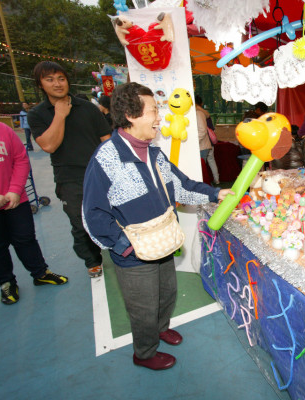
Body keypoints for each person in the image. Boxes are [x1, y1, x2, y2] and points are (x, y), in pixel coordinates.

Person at [82, 82, 233, 370]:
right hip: (133, 252)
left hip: (162, 241)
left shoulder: (154, 153)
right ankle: (145, 352)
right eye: (153, 110)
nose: (159, 117)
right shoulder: (107, 158)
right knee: (142, 307)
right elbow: (93, 214)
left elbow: (181, 185)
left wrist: (215, 193)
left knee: (166, 294)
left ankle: (161, 328)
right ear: (130, 114)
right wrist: (124, 246)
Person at [0, 86, 68, 305]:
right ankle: (6, 283)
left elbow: (20, 159)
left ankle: (40, 273)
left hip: (15, 200)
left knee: (26, 239)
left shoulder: (0, 130)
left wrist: (15, 190)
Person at [27, 61, 111, 278]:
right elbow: (48, 145)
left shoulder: (88, 108)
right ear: (40, 84)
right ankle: (92, 260)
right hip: (69, 179)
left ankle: (117, 249)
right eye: (50, 79)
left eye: (61, 78)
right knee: (79, 221)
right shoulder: (37, 114)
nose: (57, 84)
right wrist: (60, 115)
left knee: (111, 214)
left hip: (99, 174)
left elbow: (106, 139)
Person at [195, 95, 219, 184]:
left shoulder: (198, 113)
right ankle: (216, 180)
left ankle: (207, 184)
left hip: (202, 144)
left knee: (202, 168)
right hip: (206, 142)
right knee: (210, 161)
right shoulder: (203, 113)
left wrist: (194, 142)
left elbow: (202, 130)